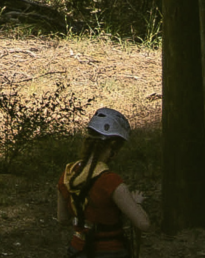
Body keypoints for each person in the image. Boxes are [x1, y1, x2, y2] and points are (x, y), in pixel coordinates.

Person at [57, 106, 148, 253]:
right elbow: (143, 224)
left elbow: (62, 218)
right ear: (113, 147)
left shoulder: (68, 174)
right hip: (109, 251)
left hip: (77, 250)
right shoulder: (110, 181)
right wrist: (136, 203)